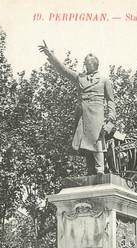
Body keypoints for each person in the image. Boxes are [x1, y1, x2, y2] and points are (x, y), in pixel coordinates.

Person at [39, 41, 116, 175]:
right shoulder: (80, 78)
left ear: (93, 64)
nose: (85, 65)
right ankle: (91, 171)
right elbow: (63, 70)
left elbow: (111, 101)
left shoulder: (105, 81)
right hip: (82, 115)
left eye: (86, 63)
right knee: (85, 143)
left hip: (97, 116)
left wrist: (110, 120)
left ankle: (100, 170)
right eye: (85, 63)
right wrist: (50, 55)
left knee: (97, 142)